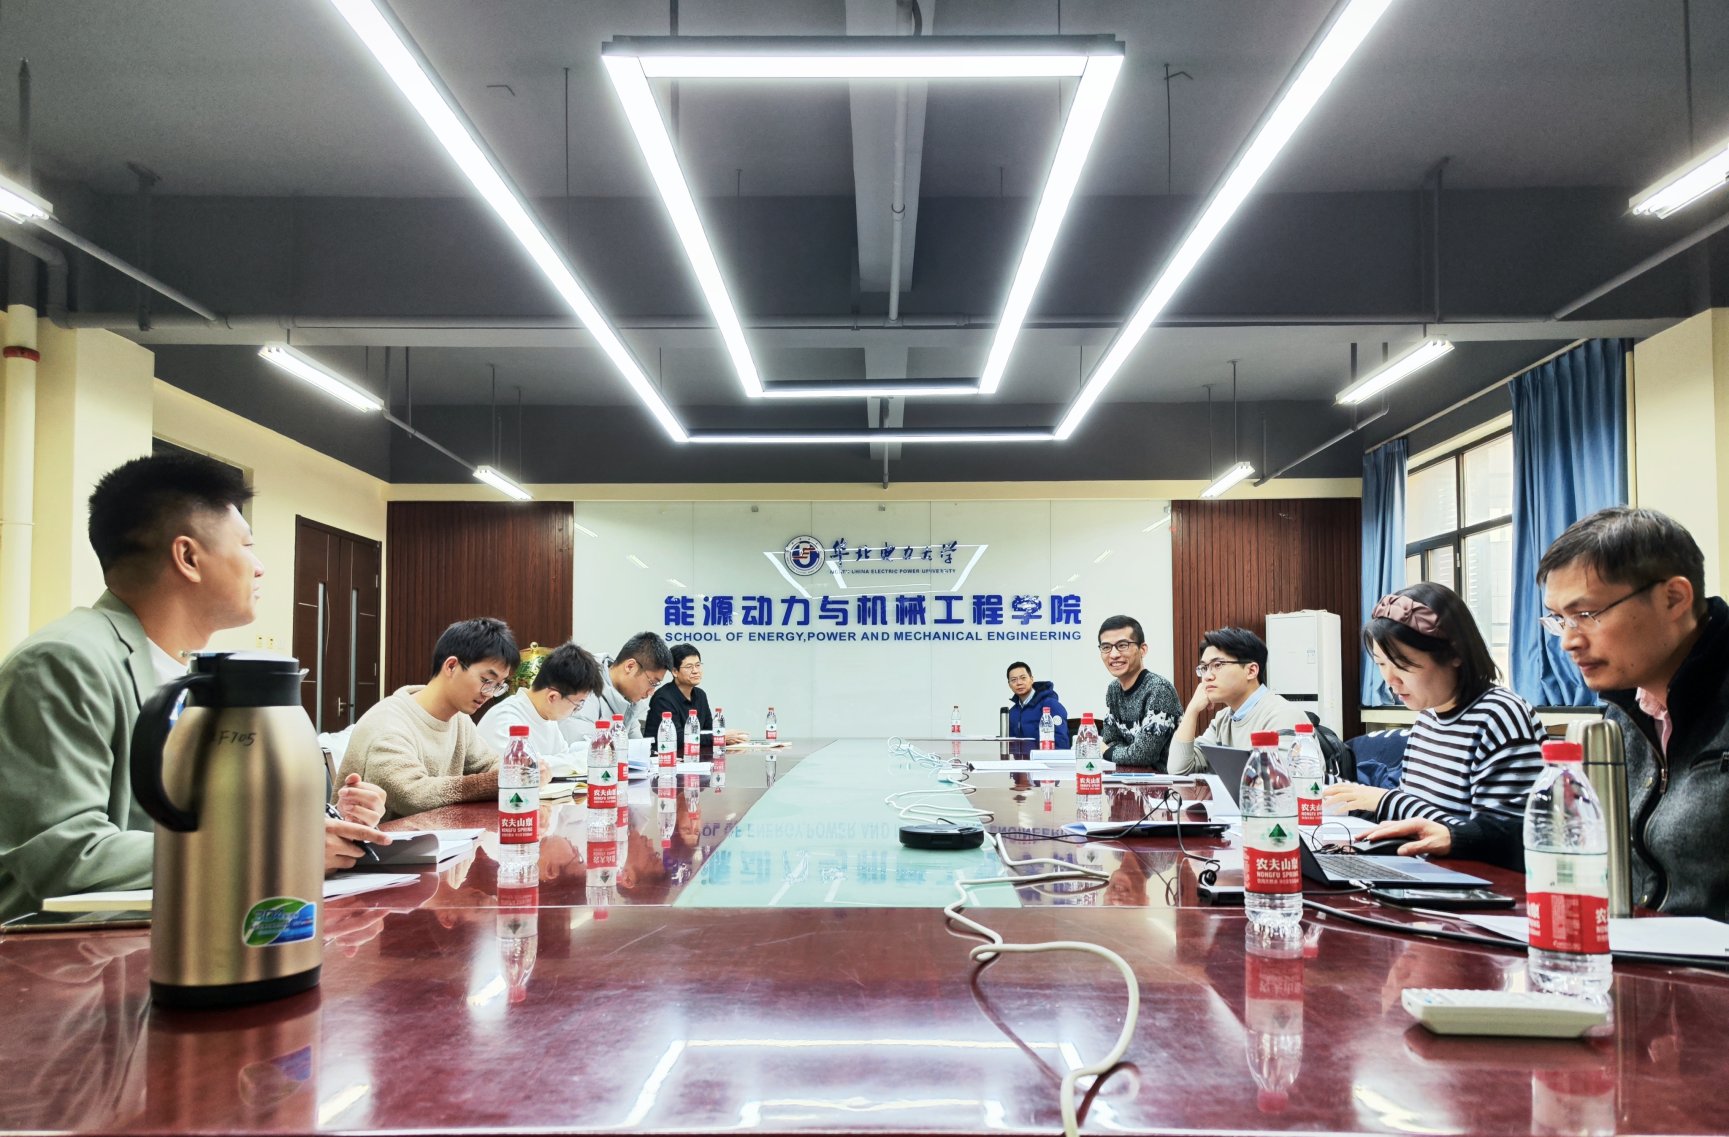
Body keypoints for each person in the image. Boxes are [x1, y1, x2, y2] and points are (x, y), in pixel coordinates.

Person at [0, 454, 391, 920]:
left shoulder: (191, 672)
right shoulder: (64, 662)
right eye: (246, 545)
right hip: (76, 950)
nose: (259, 567)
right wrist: (275, 847)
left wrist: (330, 822)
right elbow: (66, 854)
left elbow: (203, 818)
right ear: (188, 557)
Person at [1537, 506, 1729, 918]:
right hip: (1640, 945)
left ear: (1674, 598)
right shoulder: (1623, 710)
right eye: (1559, 620)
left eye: (1585, 615)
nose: (1568, 641)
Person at [1326, 582, 1546, 870]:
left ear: (1455, 653)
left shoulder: (1500, 716)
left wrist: (1385, 801)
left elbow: (1499, 842)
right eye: (1381, 664)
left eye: (1402, 665)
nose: (1390, 681)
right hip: (1428, 872)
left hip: (1480, 884)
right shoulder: (1428, 718)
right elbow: (1417, 818)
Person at [341, 617, 517, 820]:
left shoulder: (459, 720)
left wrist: (517, 773)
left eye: (498, 686)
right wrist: (494, 782)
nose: (489, 693)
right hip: (380, 839)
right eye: (487, 680)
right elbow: (411, 795)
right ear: (451, 666)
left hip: (435, 835)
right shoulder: (388, 723)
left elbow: (491, 764)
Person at [1167, 627, 1304, 775]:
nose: (1207, 677)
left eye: (1217, 665)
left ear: (1251, 671)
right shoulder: (1223, 719)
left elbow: (1279, 781)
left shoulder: (1283, 716)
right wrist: (1192, 710)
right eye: (1204, 668)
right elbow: (1179, 769)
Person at [479, 640, 602, 777]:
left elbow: (562, 762)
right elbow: (520, 769)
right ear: (552, 697)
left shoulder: (547, 718)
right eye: (577, 705)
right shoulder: (505, 718)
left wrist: (570, 762)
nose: (576, 711)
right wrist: (578, 760)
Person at [1095, 615, 1182, 770]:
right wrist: (1124, 753)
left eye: (1122, 645)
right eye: (1106, 647)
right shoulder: (1114, 690)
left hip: (1165, 781)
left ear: (1143, 650)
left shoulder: (1159, 689)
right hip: (1130, 777)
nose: (1114, 655)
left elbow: (1144, 754)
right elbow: (1110, 740)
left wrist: (1107, 752)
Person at [560, 631, 672, 743]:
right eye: (652, 682)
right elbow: (582, 749)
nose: (651, 692)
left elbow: (637, 745)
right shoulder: (583, 688)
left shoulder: (627, 699)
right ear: (630, 666)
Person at [645, 644, 750, 755]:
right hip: (664, 758)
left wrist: (724, 738)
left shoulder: (700, 695)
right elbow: (677, 738)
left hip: (694, 756)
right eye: (689, 667)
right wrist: (719, 737)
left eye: (698, 665)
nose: (695, 671)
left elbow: (708, 730)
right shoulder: (663, 698)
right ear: (675, 671)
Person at [1005, 661, 1069, 748]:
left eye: (1023, 678)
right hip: (1021, 757)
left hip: (1046, 756)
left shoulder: (1050, 705)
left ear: (1031, 679)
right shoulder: (1012, 713)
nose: (1019, 683)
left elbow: (1061, 743)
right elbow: (1010, 746)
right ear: (1009, 685)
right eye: (1013, 680)